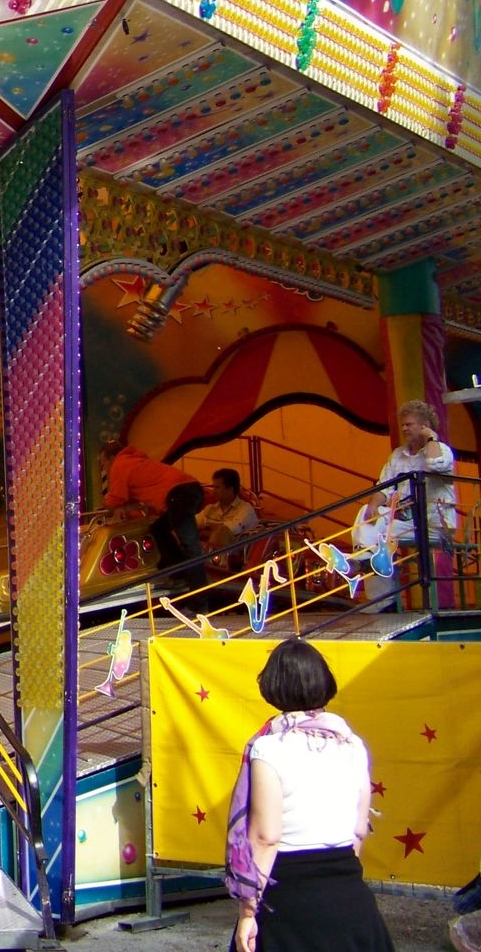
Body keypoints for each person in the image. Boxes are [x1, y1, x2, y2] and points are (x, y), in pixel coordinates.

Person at [228, 638, 391, 952]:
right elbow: (359, 829)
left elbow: (265, 837)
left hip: (287, 898)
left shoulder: (269, 748)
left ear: (273, 687)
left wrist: (247, 913)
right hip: (351, 897)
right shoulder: (352, 744)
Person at [358, 398, 461, 609]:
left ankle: (368, 561)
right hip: (407, 523)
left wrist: (431, 438)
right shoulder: (398, 455)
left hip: (435, 525)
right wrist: (374, 505)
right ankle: (380, 596)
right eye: (403, 424)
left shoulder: (441, 449)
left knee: (376, 540)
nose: (404, 428)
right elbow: (384, 487)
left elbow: (435, 465)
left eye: (409, 424)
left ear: (424, 425)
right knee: (366, 517)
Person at [103, 442, 207, 591]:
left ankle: (199, 597)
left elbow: (115, 498)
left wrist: (108, 506)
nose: (105, 468)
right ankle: (179, 574)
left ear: (111, 458)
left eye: (104, 464)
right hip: (187, 491)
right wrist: (124, 508)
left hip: (179, 495)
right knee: (159, 529)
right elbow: (142, 497)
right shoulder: (135, 461)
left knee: (190, 546)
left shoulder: (120, 464)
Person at [200, 468, 261, 552]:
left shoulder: (245, 509)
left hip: (240, 554)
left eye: (217, 487)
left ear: (230, 489)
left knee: (221, 532)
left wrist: (205, 529)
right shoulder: (210, 509)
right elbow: (193, 523)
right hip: (217, 553)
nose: (213, 491)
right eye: (213, 487)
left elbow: (228, 530)